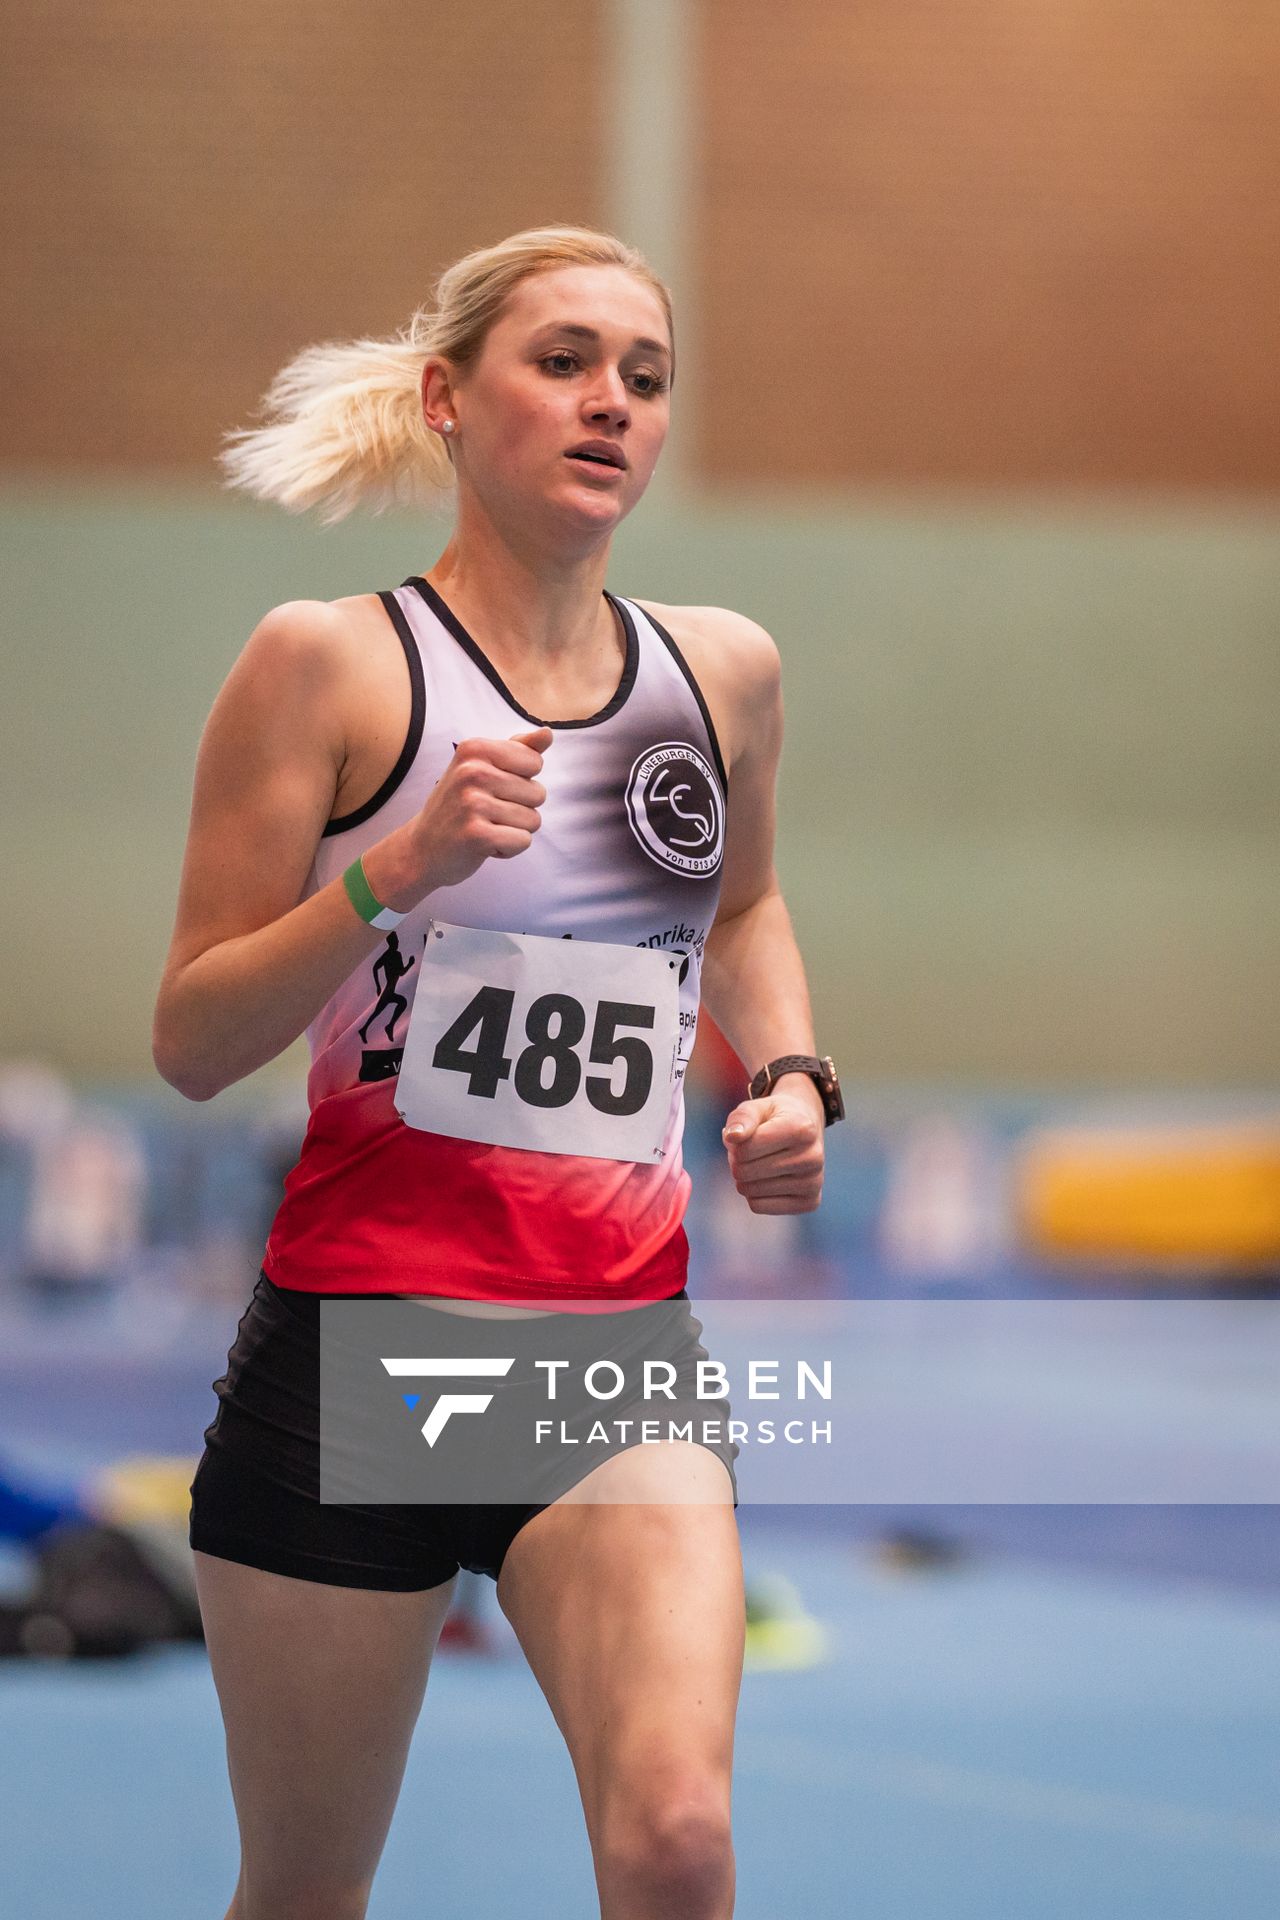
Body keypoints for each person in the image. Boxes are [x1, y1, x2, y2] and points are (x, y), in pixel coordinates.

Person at [153, 225, 842, 1920]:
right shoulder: (330, 662)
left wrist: (799, 1075)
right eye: (564, 362)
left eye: (646, 376)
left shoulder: (723, 672)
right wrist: (391, 878)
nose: (611, 402)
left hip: (611, 1360)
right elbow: (190, 1039)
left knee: (677, 1839)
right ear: (449, 401)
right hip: (352, 1362)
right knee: (304, 1894)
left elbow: (741, 901)